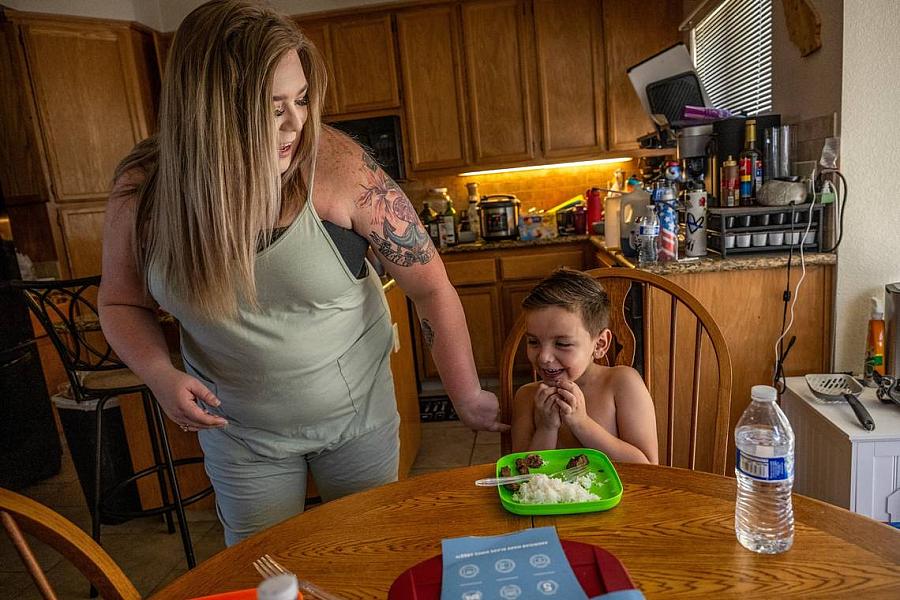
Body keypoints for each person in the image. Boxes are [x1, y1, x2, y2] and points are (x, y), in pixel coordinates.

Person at [98, 0, 507, 546]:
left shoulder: (343, 169)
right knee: (264, 570)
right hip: (239, 433)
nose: (298, 123)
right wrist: (158, 372)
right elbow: (121, 303)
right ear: (210, 113)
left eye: (302, 98)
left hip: (356, 419)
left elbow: (430, 287)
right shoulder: (143, 190)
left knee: (366, 555)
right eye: (272, 108)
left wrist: (464, 393)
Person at [510, 269, 658, 463]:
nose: (544, 357)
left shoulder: (622, 383)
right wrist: (547, 428)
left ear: (600, 344)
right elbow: (520, 476)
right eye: (533, 342)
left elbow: (647, 467)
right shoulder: (526, 398)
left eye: (562, 344)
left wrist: (582, 424)